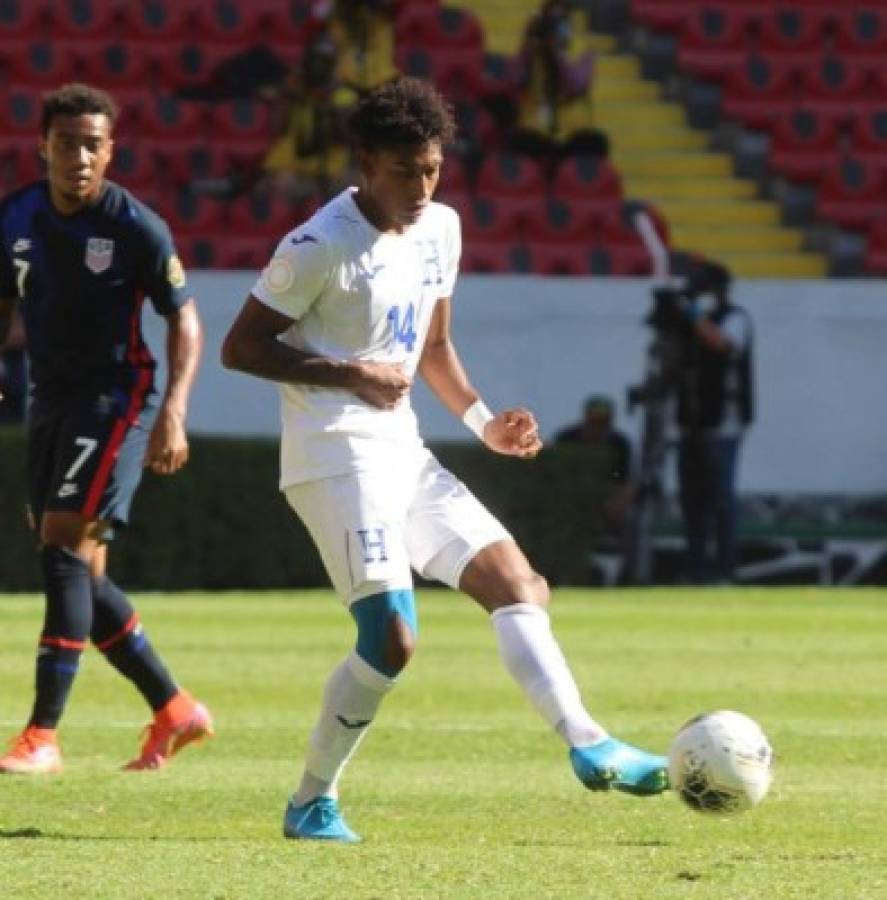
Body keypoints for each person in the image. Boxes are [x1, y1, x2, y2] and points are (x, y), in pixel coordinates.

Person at [221, 76, 668, 844]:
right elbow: (241, 348)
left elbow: (433, 347)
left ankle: (588, 741)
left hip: (403, 451)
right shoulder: (317, 245)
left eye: (431, 168)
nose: (422, 186)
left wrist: (485, 422)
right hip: (333, 456)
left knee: (517, 583)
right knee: (392, 636)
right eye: (404, 170)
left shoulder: (440, 229)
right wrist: (349, 374)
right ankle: (310, 801)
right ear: (364, 162)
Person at [0, 83, 213, 774]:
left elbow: (184, 317)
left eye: (93, 145)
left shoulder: (135, 226)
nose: (80, 157)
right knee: (82, 577)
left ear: (110, 150)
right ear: (44, 147)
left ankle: (42, 736)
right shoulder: (16, 216)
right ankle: (175, 708)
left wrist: (174, 410)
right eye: (67, 144)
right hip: (52, 398)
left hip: (118, 398)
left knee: (62, 549)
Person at [674, 262, 754, 584]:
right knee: (692, 499)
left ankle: (725, 567)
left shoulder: (736, 318)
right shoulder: (686, 326)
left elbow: (721, 343)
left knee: (720, 497)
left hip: (723, 422)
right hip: (690, 422)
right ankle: (696, 567)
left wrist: (693, 315)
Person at [556, 394, 634, 555]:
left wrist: (616, 505)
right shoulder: (567, 439)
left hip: (606, 503)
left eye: (603, 423)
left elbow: (625, 482)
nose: (598, 429)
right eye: (595, 422)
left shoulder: (619, 443)